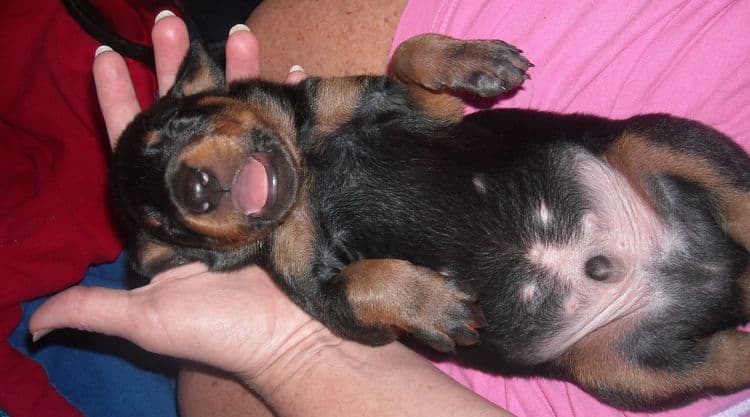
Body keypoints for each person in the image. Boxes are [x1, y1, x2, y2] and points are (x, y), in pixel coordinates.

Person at [32, 1, 750, 416]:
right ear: (195, 247)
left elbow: (417, 106)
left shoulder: (317, 107)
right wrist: (390, 293)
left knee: (656, 145)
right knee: (643, 375)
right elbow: (345, 300)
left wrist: (423, 61)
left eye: (180, 136)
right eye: (181, 209)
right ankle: (726, 362)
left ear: (207, 88)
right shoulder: (284, 252)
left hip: (633, 196)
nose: (196, 184)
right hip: (600, 332)